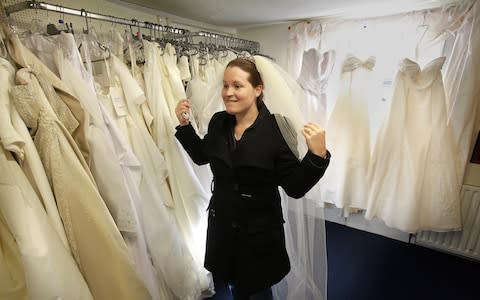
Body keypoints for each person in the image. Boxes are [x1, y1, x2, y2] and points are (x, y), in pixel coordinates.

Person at [174, 57, 330, 300]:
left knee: (257, 290)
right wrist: (184, 126)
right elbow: (202, 156)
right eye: (225, 86)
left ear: (258, 89)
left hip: (258, 232)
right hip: (222, 223)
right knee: (232, 283)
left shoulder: (278, 127)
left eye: (237, 86)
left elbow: (295, 186)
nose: (228, 93)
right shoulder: (218, 122)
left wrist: (317, 156)